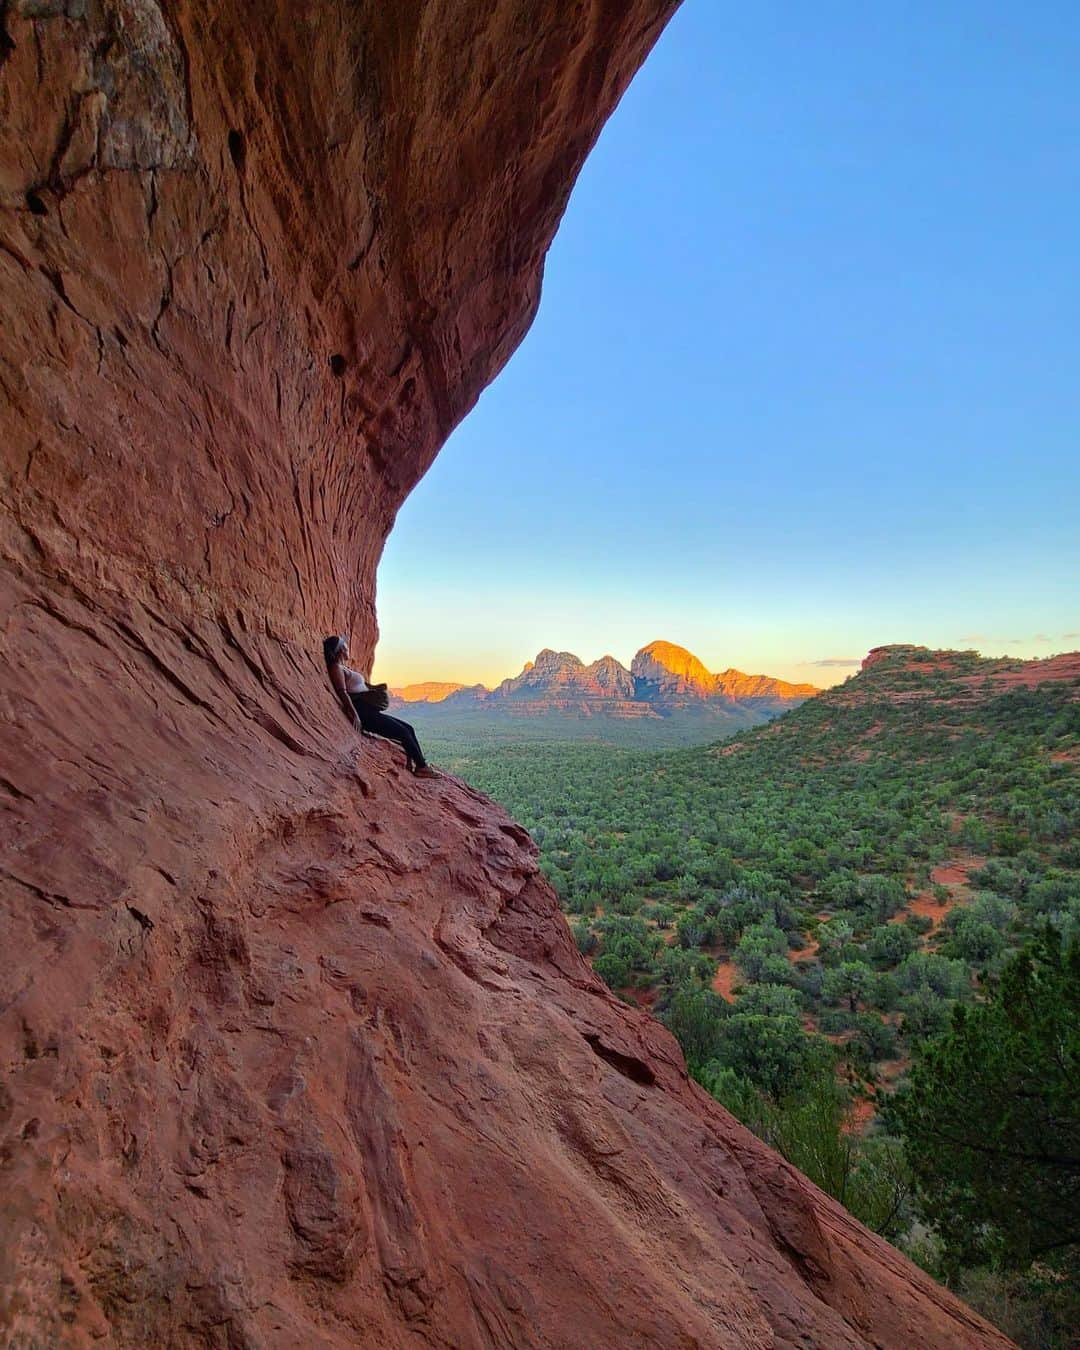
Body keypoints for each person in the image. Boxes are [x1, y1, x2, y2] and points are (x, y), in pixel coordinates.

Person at [323, 635, 437, 778]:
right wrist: (355, 715)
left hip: (368, 710)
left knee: (408, 728)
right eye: (345, 646)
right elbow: (342, 692)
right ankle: (422, 768)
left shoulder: (343, 667)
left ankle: (419, 763)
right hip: (363, 712)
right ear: (340, 650)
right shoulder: (336, 667)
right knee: (403, 733)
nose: (347, 648)